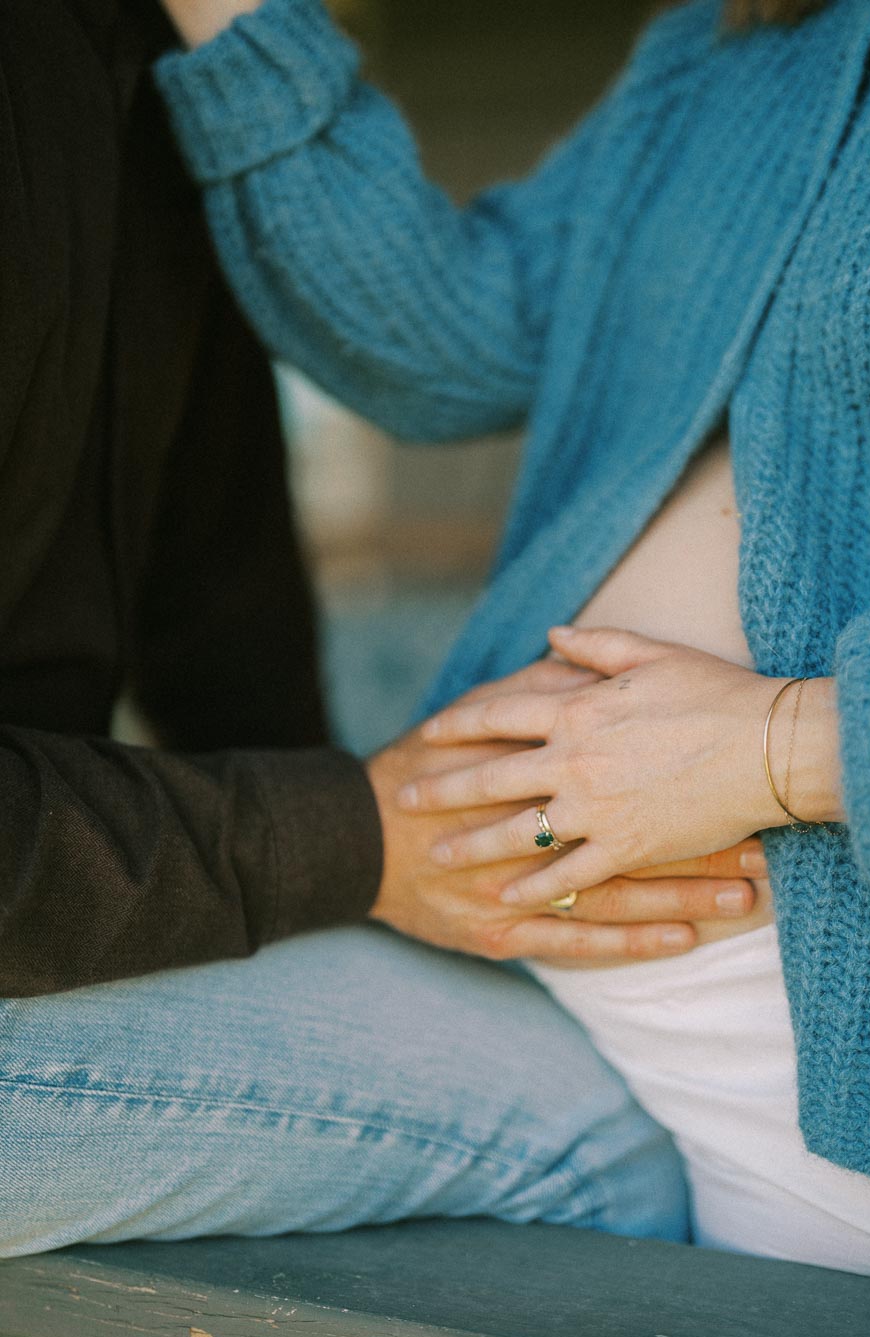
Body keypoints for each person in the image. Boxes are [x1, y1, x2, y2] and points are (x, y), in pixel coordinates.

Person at [0, 0, 767, 1258]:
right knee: (608, 1162)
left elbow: (213, 553)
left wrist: (368, 871)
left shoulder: (122, 51)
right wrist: (351, 841)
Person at [150, 0, 870, 1276]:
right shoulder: (733, 48)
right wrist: (234, 17)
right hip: (575, 1016)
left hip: (832, 1087)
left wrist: (785, 748)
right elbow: (445, 339)